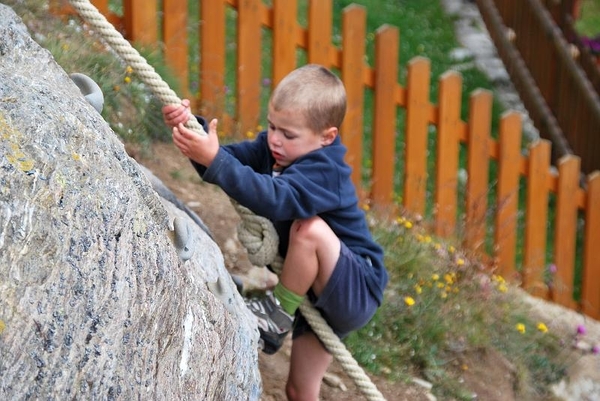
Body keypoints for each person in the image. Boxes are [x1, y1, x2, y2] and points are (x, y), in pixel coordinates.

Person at [162, 64, 388, 400]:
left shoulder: (327, 170)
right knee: (299, 390)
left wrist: (215, 160)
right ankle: (279, 314)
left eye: (289, 134)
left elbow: (275, 200)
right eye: (271, 127)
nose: (275, 140)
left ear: (327, 137)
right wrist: (191, 130)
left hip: (353, 288)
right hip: (313, 295)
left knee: (309, 229)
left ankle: (275, 316)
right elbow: (223, 163)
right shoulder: (272, 147)